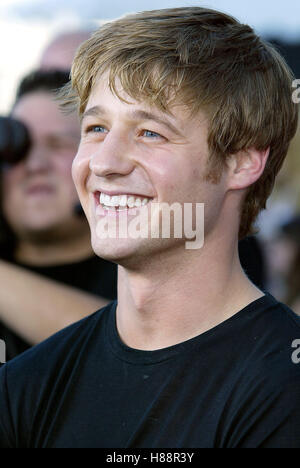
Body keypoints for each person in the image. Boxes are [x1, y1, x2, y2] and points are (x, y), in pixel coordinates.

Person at [0, 6, 300, 448]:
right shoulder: (24, 384)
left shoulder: (282, 384)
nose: (103, 163)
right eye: (96, 128)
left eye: (150, 133)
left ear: (242, 161)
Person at [0, 70, 117, 360]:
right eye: (18, 147)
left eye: (59, 144)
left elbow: (130, 349)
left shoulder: (151, 264)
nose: (35, 164)